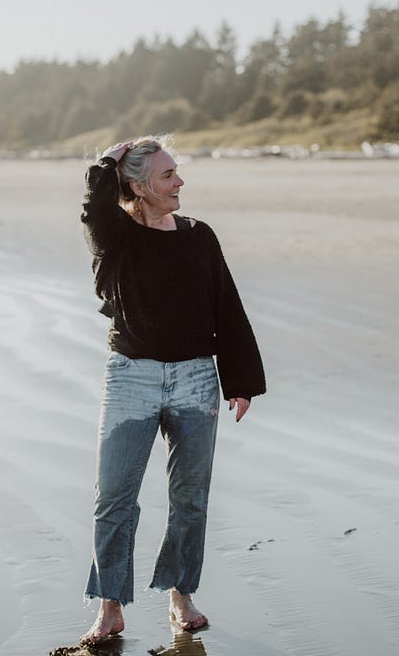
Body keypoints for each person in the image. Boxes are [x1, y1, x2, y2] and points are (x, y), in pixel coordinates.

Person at [79, 136, 266, 646]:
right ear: (138, 186)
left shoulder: (199, 235)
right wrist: (106, 162)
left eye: (177, 172)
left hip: (196, 380)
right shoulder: (115, 237)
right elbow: (95, 209)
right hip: (130, 377)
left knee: (190, 499)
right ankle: (110, 607)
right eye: (167, 175)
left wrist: (242, 380)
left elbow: (225, 304)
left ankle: (180, 593)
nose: (180, 181)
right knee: (114, 498)